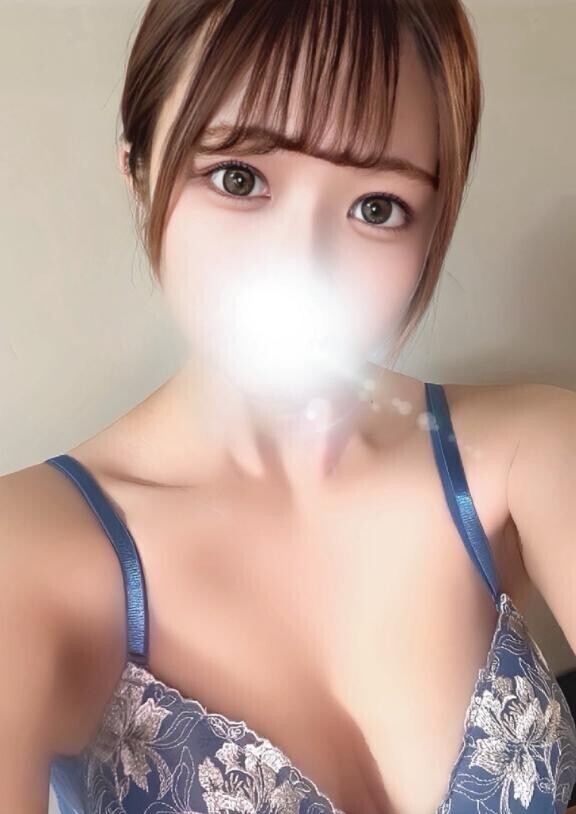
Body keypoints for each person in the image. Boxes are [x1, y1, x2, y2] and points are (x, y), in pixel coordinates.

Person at [1, 1, 575, 812]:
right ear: (138, 170)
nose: (301, 263)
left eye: (377, 206)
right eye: (239, 178)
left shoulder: (533, 453)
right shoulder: (28, 555)